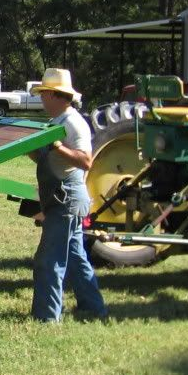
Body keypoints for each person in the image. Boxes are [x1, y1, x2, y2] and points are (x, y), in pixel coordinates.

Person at [28, 68, 107, 322]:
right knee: (74, 257)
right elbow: (47, 157)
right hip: (59, 197)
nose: (41, 99)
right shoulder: (56, 122)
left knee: (48, 259)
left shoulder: (73, 122)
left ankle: (47, 318)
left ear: (57, 95)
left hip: (67, 198)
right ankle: (93, 308)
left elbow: (85, 161)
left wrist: (58, 146)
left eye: (44, 94)